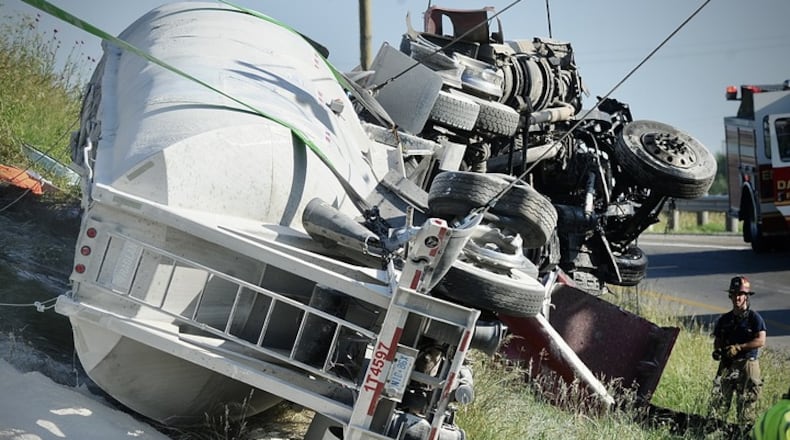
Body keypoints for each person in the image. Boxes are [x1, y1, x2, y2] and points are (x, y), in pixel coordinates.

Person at [709, 275, 768, 428]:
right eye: (734, 294)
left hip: (747, 364)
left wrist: (739, 348)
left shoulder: (754, 318)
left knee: (746, 407)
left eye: (740, 294)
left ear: (746, 297)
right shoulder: (724, 319)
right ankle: (717, 431)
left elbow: (761, 340)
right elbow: (718, 340)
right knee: (719, 404)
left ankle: (744, 434)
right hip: (727, 364)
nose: (737, 297)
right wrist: (718, 351)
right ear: (730, 296)